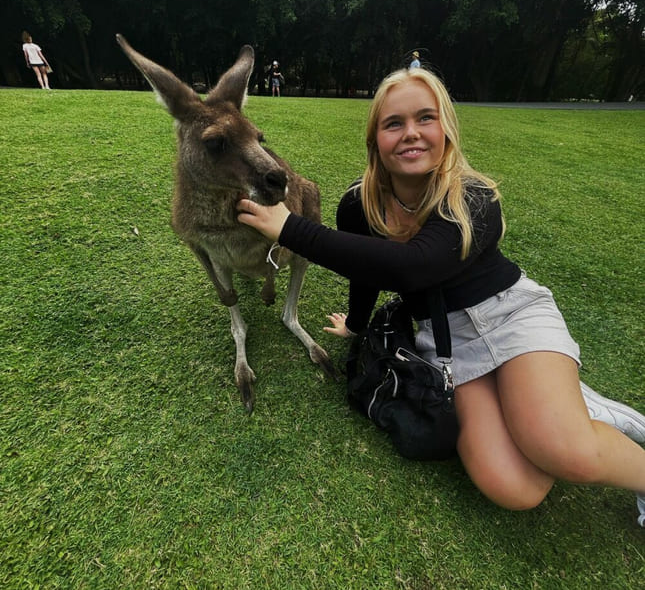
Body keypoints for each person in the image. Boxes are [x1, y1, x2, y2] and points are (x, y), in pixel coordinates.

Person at [236, 66, 645, 525]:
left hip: (512, 317)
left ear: (446, 130)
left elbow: (415, 267)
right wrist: (355, 322)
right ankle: (567, 406)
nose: (410, 133)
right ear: (375, 140)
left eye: (425, 118)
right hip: (448, 342)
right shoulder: (359, 204)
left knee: (563, 450)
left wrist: (290, 227)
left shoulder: (473, 195)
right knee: (516, 487)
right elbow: (368, 269)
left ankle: (612, 443)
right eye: (393, 124)